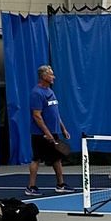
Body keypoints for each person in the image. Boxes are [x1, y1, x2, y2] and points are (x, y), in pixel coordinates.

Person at [26, 64, 72, 196]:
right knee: (36, 159)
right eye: (51, 74)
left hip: (54, 132)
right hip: (40, 134)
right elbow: (37, 116)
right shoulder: (36, 93)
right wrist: (47, 133)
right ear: (44, 76)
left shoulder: (50, 91)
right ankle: (31, 187)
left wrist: (63, 129)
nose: (54, 77)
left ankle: (60, 185)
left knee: (56, 159)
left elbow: (55, 113)